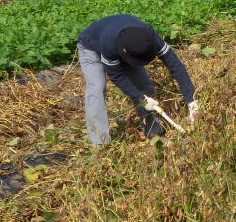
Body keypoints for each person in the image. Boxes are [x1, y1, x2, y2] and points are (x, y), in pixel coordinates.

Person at [77, 14, 198, 144]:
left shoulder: (149, 35)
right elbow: (117, 76)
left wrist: (191, 99)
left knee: (145, 87)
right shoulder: (109, 44)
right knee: (97, 88)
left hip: (124, 45)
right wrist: (139, 98)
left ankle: (155, 135)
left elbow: (175, 64)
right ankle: (100, 143)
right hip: (91, 47)